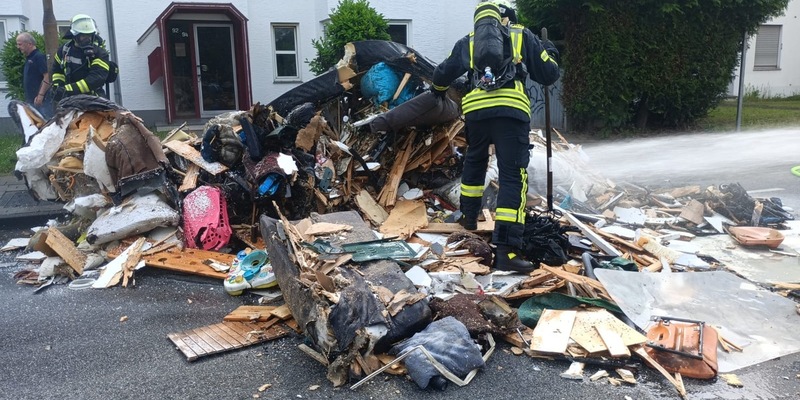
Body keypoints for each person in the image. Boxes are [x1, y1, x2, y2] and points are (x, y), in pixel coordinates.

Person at [432, 0, 560, 272]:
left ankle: (468, 219)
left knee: (474, 164)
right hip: (510, 113)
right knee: (513, 176)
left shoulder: (468, 41)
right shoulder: (521, 34)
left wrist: (438, 89)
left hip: (477, 114)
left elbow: (441, 74)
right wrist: (548, 51)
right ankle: (507, 252)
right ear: (507, 18)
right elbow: (548, 74)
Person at [49, 14, 111, 102]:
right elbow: (57, 71)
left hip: (94, 99)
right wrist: (58, 87)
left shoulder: (100, 54)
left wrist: (68, 89)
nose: (87, 39)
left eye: (89, 35)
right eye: (83, 36)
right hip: (69, 99)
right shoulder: (64, 50)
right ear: (75, 36)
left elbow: (96, 79)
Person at [15, 32, 53, 118]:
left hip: (41, 101)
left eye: (20, 44)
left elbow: (47, 76)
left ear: (29, 44)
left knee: (46, 124)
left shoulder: (38, 57)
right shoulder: (29, 58)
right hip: (32, 100)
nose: (18, 47)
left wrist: (41, 95)